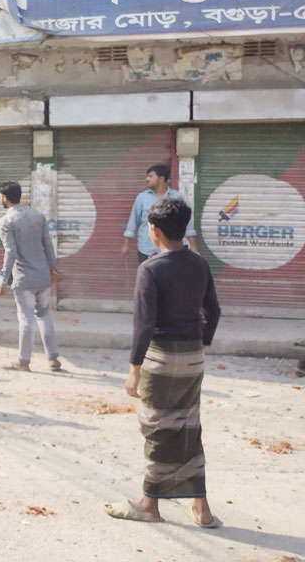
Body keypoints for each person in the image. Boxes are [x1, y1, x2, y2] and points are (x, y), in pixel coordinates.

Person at [105, 197, 221, 528]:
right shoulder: (199, 264)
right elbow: (213, 311)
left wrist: (134, 369)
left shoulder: (151, 269)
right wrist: (203, 344)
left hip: (161, 358)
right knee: (188, 426)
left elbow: (144, 324)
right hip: (193, 357)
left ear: (154, 230)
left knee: (158, 427)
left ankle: (148, 504)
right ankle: (201, 508)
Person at [0, 180, 62, 372]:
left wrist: (2, 280)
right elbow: (48, 245)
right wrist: (53, 268)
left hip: (24, 277)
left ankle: (23, 361)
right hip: (43, 275)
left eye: (0, 196)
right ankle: (53, 359)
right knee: (43, 313)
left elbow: (11, 252)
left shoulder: (6, 221)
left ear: (4, 198)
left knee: (26, 318)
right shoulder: (37, 216)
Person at [122, 164, 196, 263]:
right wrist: (126, 244)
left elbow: (185, 222)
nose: (147, 179)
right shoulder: (142, 198)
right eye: (147, 176)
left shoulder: (176, 197)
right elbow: (133, 221)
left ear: (161, 178)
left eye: (150, 176)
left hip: (172, 251)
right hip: (147, 250)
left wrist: (193, 245)